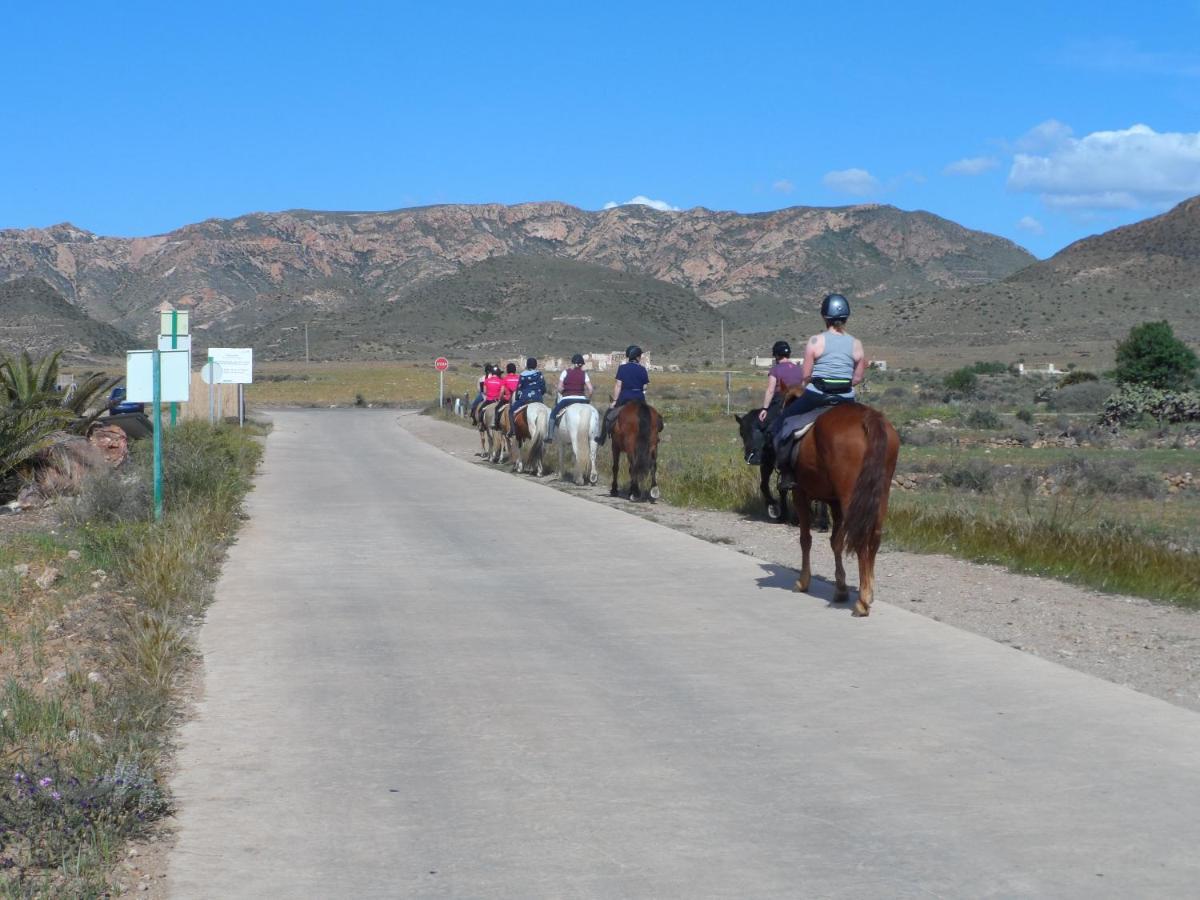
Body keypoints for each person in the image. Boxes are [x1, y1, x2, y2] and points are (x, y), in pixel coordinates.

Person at [771, 293, 867, 458]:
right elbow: (858, 378)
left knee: (783, 420)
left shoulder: (815, 341)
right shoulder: (856, 343)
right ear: (846, 317)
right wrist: (841, 384)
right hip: (846, 398)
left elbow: (806, 376)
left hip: (818, 396)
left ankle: (786, 471)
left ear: (824, 317)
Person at [599, 345, 649, 445]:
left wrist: (614, 402)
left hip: (625, 397)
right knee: (648, 417)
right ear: (638, 357)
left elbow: (618, 385)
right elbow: (645, 387)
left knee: (609, 415)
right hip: (639, 398)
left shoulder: (622, 368)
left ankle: (602, 439)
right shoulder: (643, 369)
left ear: (628, 357)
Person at [756, 340, 803, 428]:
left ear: (777, 355)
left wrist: (765, 409)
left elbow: (770, 390)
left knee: (763, 426)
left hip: (781, 402)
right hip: (799, 402)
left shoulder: (775, 369)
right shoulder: (799, 369)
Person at [547, 354, 593, 439]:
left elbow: (560, 388)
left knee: (553, 413)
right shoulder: (584, 374)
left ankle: (550, 436)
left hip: (567, 399)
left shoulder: (565, 372)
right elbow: (590, 389)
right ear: (581, 364)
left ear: (573, 363)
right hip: (582, 399)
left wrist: (562, 390)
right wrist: (588, 399)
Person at [508, 357, 547, 436]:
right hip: (538, 398)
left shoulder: (522, 375)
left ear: (527, 365)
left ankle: (513, 431)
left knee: (511, 411)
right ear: (535, 365)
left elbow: (519, 389)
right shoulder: (539, 374)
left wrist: (517, 398)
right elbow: (543, 388)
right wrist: (539, 394)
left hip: (525, 399)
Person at [496, 362, 520, 428]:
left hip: (507, 400)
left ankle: (496, 424)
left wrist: (500, 398)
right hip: (518, 400)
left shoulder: (505, 379)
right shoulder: (519, 378)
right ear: (515, 370)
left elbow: (501, 392)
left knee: (496, 409)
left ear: (507, 370)